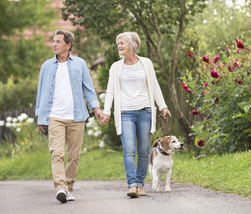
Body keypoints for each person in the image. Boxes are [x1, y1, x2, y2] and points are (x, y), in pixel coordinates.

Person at [100, 31, 171, 198]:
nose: (119, 46)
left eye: (122, 43)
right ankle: (132, 184)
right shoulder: (116, 67)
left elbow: (154, 86)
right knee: (129, 149)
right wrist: (106, 111)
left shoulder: (146, 63)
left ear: (132, 45)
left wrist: (163, 106)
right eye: (118, 43)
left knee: (144, 150)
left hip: (145, 111)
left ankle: (140, 184)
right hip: (125, 113)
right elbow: (110, 91)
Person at [35, 29, 103, 203]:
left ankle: (69, 188)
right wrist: (40, 117)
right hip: (54, 116)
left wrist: (96, 110)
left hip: (77, 116)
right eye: (53, 41)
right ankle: (61, 187)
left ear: (68, 45)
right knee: (57, 153)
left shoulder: (80, 64)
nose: (54, 44)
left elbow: (88, 89)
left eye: (58, 42)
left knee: (74, 156)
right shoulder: (46, 66)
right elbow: (41, 92)